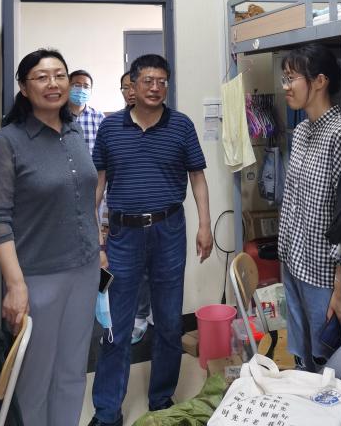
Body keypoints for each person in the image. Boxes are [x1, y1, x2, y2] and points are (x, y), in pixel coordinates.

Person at [89, 54, 214, 426]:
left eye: (162, 81)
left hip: (168, 230)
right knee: (118, 325)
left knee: (170, 321)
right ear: (133, 83)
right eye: (148, 81)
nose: (156, 88)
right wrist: (94, 236)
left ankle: (161, 399)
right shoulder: (110, 128)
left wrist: (205, 225)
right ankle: (107, 412)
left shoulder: (181, 125)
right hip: (123, 234)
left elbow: (197, 177)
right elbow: (97, 185)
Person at [0, 49, 104, 426]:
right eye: (41, 76)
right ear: (24, 87)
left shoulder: (75, 132)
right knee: (34, 377)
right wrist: (15, 285)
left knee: (72, 371)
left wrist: (99, 248)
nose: (53, 84)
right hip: (38, 277)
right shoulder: (7, 142)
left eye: (60, 75)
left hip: (84, 272)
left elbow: (85, 197)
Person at [277, 43, 341, 372]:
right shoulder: (302, 131)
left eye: (292, 78)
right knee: (302, 357)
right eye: (284, 78)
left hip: (323, 274)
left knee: (327, 364)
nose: (286, 86)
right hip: (293, 262)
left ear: (319, 81)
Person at [120, 69, 153, 344]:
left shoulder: (164, 122)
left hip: (162, 219)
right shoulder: (113, 127)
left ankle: (148, 313)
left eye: (135, 85)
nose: (131, 92)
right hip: (126, 219)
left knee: (157, 271)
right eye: (126, 88)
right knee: (134, 273)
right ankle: (138, 316)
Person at [69, 68, 105, 154]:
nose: (81, 89)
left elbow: (104, 148)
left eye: (86, 87)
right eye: (77, 85)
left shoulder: (99, 117)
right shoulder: (56, 116)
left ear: (90, 91)